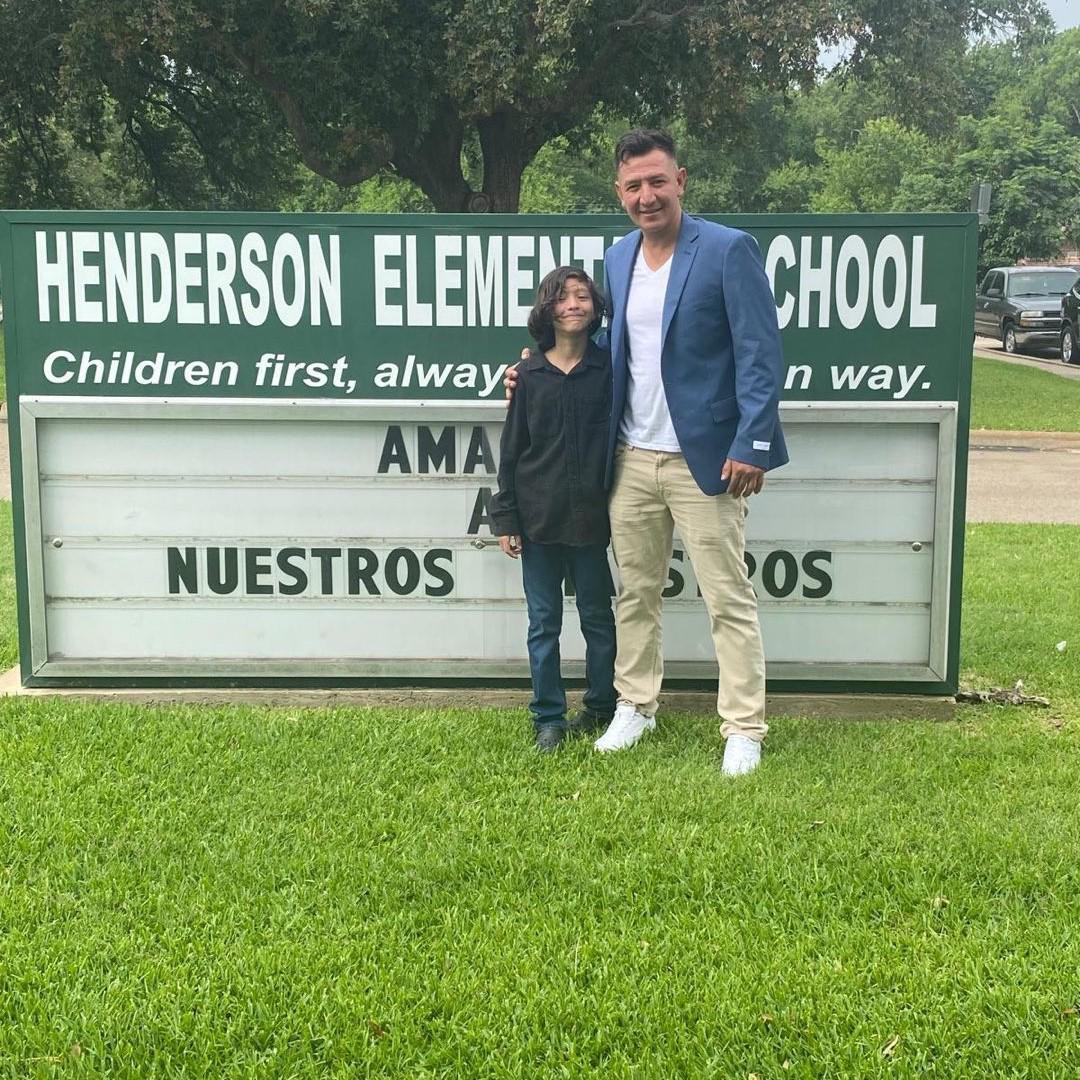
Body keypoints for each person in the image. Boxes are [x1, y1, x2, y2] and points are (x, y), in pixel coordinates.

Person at [506, 128, 787, 775]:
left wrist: (754, 441)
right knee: (636, 594)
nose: (647, 195)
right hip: (629, 458)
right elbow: (594, 351)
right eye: (633, 185)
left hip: (708, 459)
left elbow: (760, 352)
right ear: (619, 192)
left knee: (727, 598)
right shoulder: (618, 257)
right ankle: (636, 704)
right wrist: (530, 369)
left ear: (681, 180)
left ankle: (743, 726)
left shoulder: (726, 250)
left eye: (657, 181)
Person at [490, 266, 617, 753]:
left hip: (592, 519)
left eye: (583, 297)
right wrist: (507, 519)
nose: (573, 305)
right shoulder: (527, 375)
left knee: (597, 618)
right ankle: (549, 717)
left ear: (595, 307)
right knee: (543, 623)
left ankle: (602, 707)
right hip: (538, 521)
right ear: (547, 310)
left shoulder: (609, 370)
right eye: (562, 298)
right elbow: (512, 451)